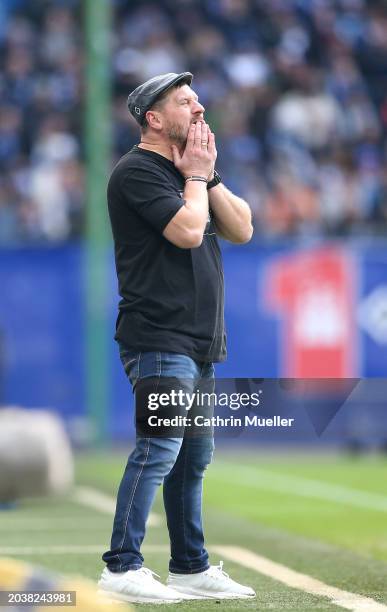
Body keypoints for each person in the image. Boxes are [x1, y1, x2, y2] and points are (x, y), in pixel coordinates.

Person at [98, 72, 255, 604]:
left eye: (197, 98)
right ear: (155, 120)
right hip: (158, 336)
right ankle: (122, 565)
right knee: (159, 448)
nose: (200, 107)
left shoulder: (193, 172)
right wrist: (195, 180)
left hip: (199, 341)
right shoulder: (136, 172)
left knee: (193, 458)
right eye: (186, 101)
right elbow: (189, 232)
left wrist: (205, 177)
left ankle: (190, 567)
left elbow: (242, 228)